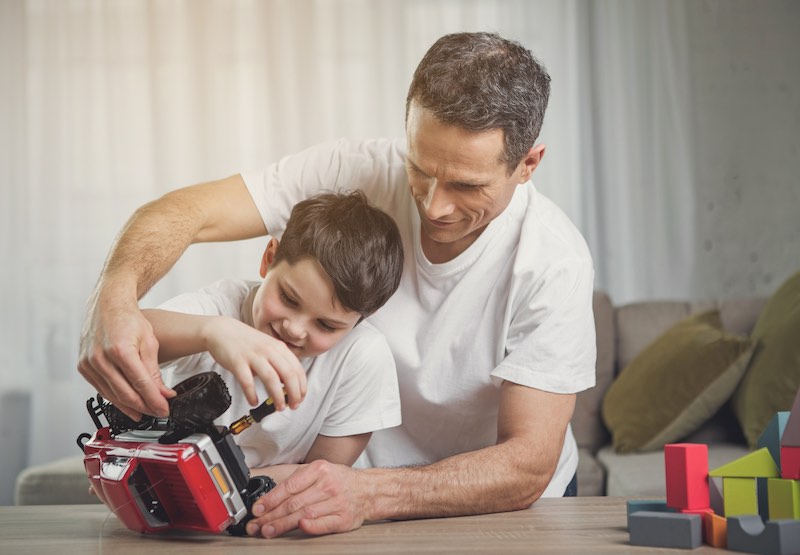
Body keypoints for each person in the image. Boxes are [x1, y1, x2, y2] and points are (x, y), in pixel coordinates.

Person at [78, 31, 596, 538]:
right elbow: (183, 212)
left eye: (466, 185)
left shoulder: (553, 263)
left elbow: (527, 463)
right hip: (351, 496)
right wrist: (114, 301)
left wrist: (369, 492)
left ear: (527, 164)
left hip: (499, 506)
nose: (434, 206)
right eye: (419, 168)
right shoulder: (353, 169)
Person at [143, 191, 404, 479]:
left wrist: (212, 486)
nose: (294, 328)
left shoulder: (362, 356)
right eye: (289, 299)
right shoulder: (218, 309)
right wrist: (213, 331)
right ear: (269, 258)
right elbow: (129, 335)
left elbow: (319, 479)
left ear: (361, 320)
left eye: (326, 326)